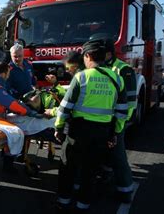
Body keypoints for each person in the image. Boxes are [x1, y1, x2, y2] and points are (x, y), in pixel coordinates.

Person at [55, 40, 128, 213]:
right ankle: (83, 206)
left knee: (68, 167)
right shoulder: (117, 79)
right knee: (90, 170)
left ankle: (63, 202)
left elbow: (65, 108)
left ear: (88, 56)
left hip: (78, 132)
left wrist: (59, 128)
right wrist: (114, 133)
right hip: (103, 132)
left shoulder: (82, 77)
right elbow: (122, 112)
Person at [100, 36, 137, 203]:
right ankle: (106, 175)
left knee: (118, 156)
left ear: (108, 53)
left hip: (116, 121)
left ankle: (125, 191)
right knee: (106, 152)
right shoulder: (102, 67)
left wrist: (118, 125)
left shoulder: (123, 70)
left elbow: (130, 102)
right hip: (103, 121)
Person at [44, 51, 84, 117]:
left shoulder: (79, 78)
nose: (66, 71)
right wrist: (55, 83)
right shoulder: (86, 76)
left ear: (75, 66)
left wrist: (52, 112)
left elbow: (69, 102)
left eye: (67, 67)